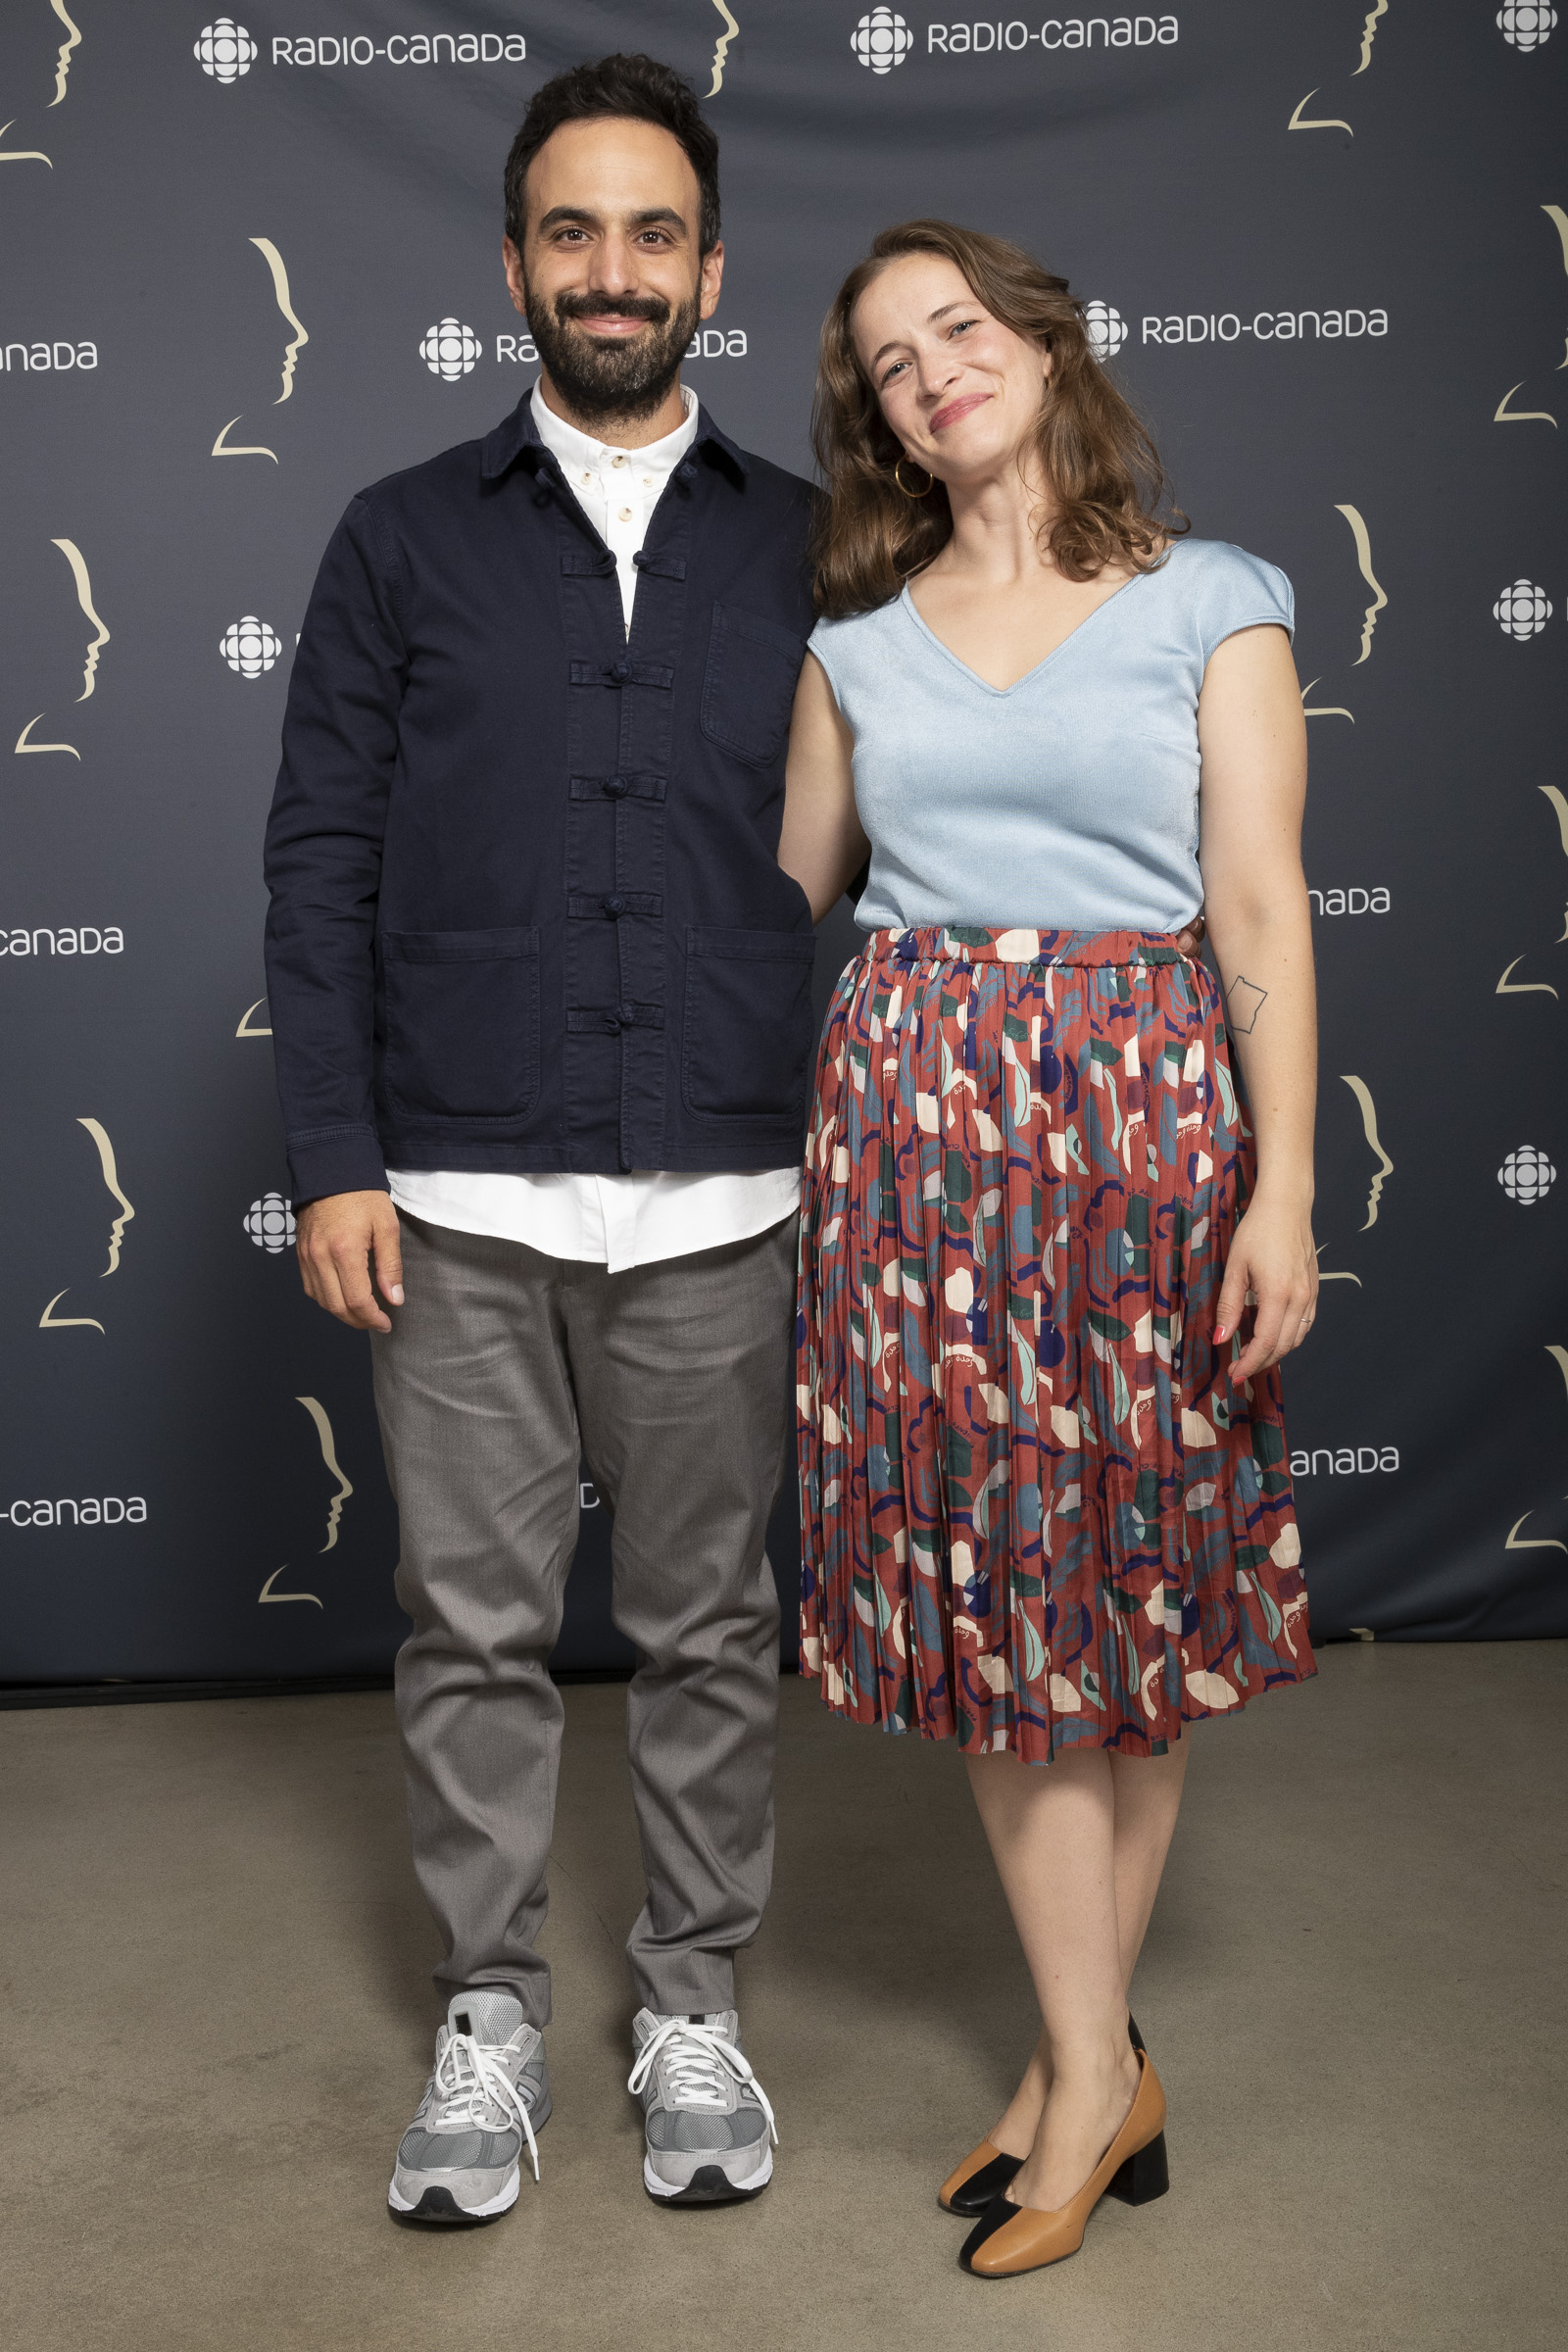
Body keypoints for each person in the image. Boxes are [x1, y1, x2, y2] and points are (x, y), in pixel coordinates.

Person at [264, 55, 814, 2221]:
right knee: (474, 1632)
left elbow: (898, 840)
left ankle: (693, 2001)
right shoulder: (398, 535)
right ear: (511, 264)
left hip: (726, 1194)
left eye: (651, 232)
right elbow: (319, 856)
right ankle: (487, 2016)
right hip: (460, 1197)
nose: (611, 270)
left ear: (709, 272)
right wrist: (333, 1152)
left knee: (708, 1632)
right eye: (571, 231)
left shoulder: (812, 541)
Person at [778, 220, 1317, 2278]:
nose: (934, 371)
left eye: (958, 328)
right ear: (881, 424)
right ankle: (1092, 2070)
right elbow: (782, 903)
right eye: (890, 363)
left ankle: (1078, 2077)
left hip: (1143, 1139)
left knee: (1129, 1620)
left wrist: (1280, 1186)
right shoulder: (853, 647)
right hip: (918, 1156)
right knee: (1009, 1625)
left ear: (1039, 341)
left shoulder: (1213, 600)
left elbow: (1253, 909)